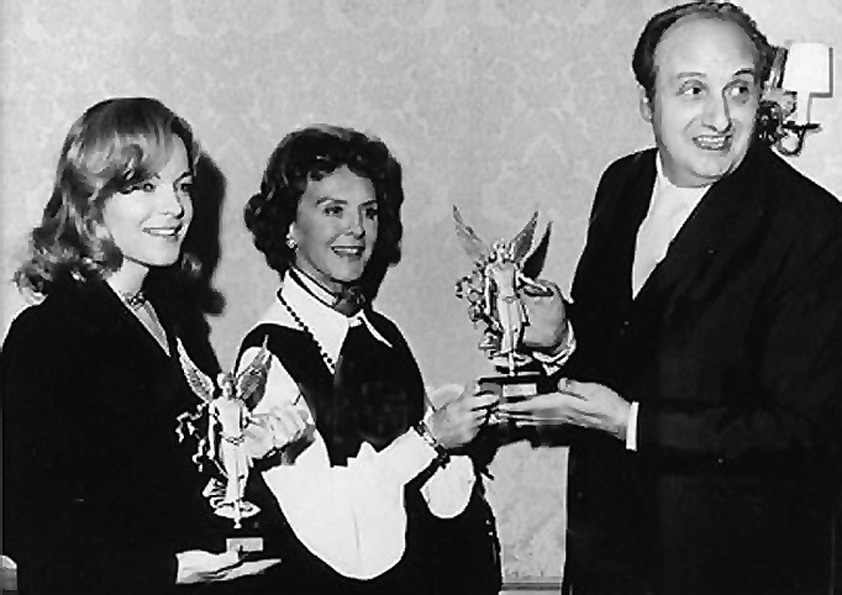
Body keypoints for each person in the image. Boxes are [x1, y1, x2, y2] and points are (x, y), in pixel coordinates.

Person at [500, 2, 842, 594]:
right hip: (609, 559)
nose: (720, 117)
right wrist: (562, 339)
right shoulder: (622, 183)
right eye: (692, 89)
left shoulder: (812, 226)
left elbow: (804, 430)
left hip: (737, 572)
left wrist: (633, 425)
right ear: (647, 103)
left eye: (739, 90)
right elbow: (626, 350)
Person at [1, 97, 296, 594]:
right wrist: (171, 570)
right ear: (91, 200)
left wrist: (248, 446)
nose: (175, 207)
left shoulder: (173, 318)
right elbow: (29, 537)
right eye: (144, 186)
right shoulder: (48, 338)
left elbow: (175, 473)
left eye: (183, 186)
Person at [237, 124, 502, 594]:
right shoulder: (268, 355)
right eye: (333, 210)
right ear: (288, 226)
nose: (357, 229)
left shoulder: (382, 334)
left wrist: (460, 429)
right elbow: (334, 531)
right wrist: (432, 438)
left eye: (369, 211)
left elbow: (433, 502)